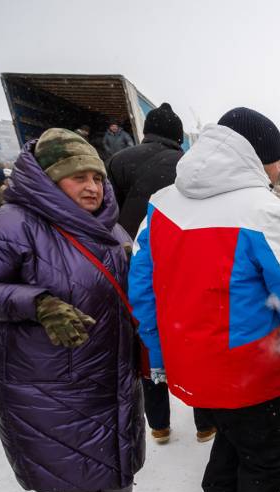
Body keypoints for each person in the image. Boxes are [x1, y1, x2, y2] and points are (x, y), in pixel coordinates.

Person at [0, 129, 155, 492]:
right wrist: (36, 303)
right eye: (76, 177)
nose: (91, 187)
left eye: (96, 178)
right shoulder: (9, 225)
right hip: (46, 370)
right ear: (47, 179)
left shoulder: (110, 226)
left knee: (118, 433)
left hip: (108, 359)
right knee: (71, 450)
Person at [129, 107, 280, 492]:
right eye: (275, 161)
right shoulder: (262, 210)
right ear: (258, 157)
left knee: (231, 441)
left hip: (187, 362)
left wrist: (158, 353)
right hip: (245, 368)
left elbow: (142, 288)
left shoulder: (162, 202)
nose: (276, 171)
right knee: (266, 457)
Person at [107, 103, 216, 444]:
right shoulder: (186, 164)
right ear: (177, 136)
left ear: (146, 131)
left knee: (147, 339)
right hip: (182, 262)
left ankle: (159, 424)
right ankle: (205, 421)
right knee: (193, 339)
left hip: (136, 259)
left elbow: (111, 212)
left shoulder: (120, 161)